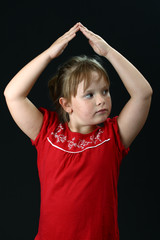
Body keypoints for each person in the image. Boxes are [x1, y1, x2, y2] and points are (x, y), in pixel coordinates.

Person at [4, 22, 152, 240]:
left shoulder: (113, 136)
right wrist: (48, 54)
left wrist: (108, 52)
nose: (102, 100)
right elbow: (13, 95)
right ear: (66, 104)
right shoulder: (47, 131)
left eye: (105, 91)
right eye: (90, 95)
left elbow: (143, 94)